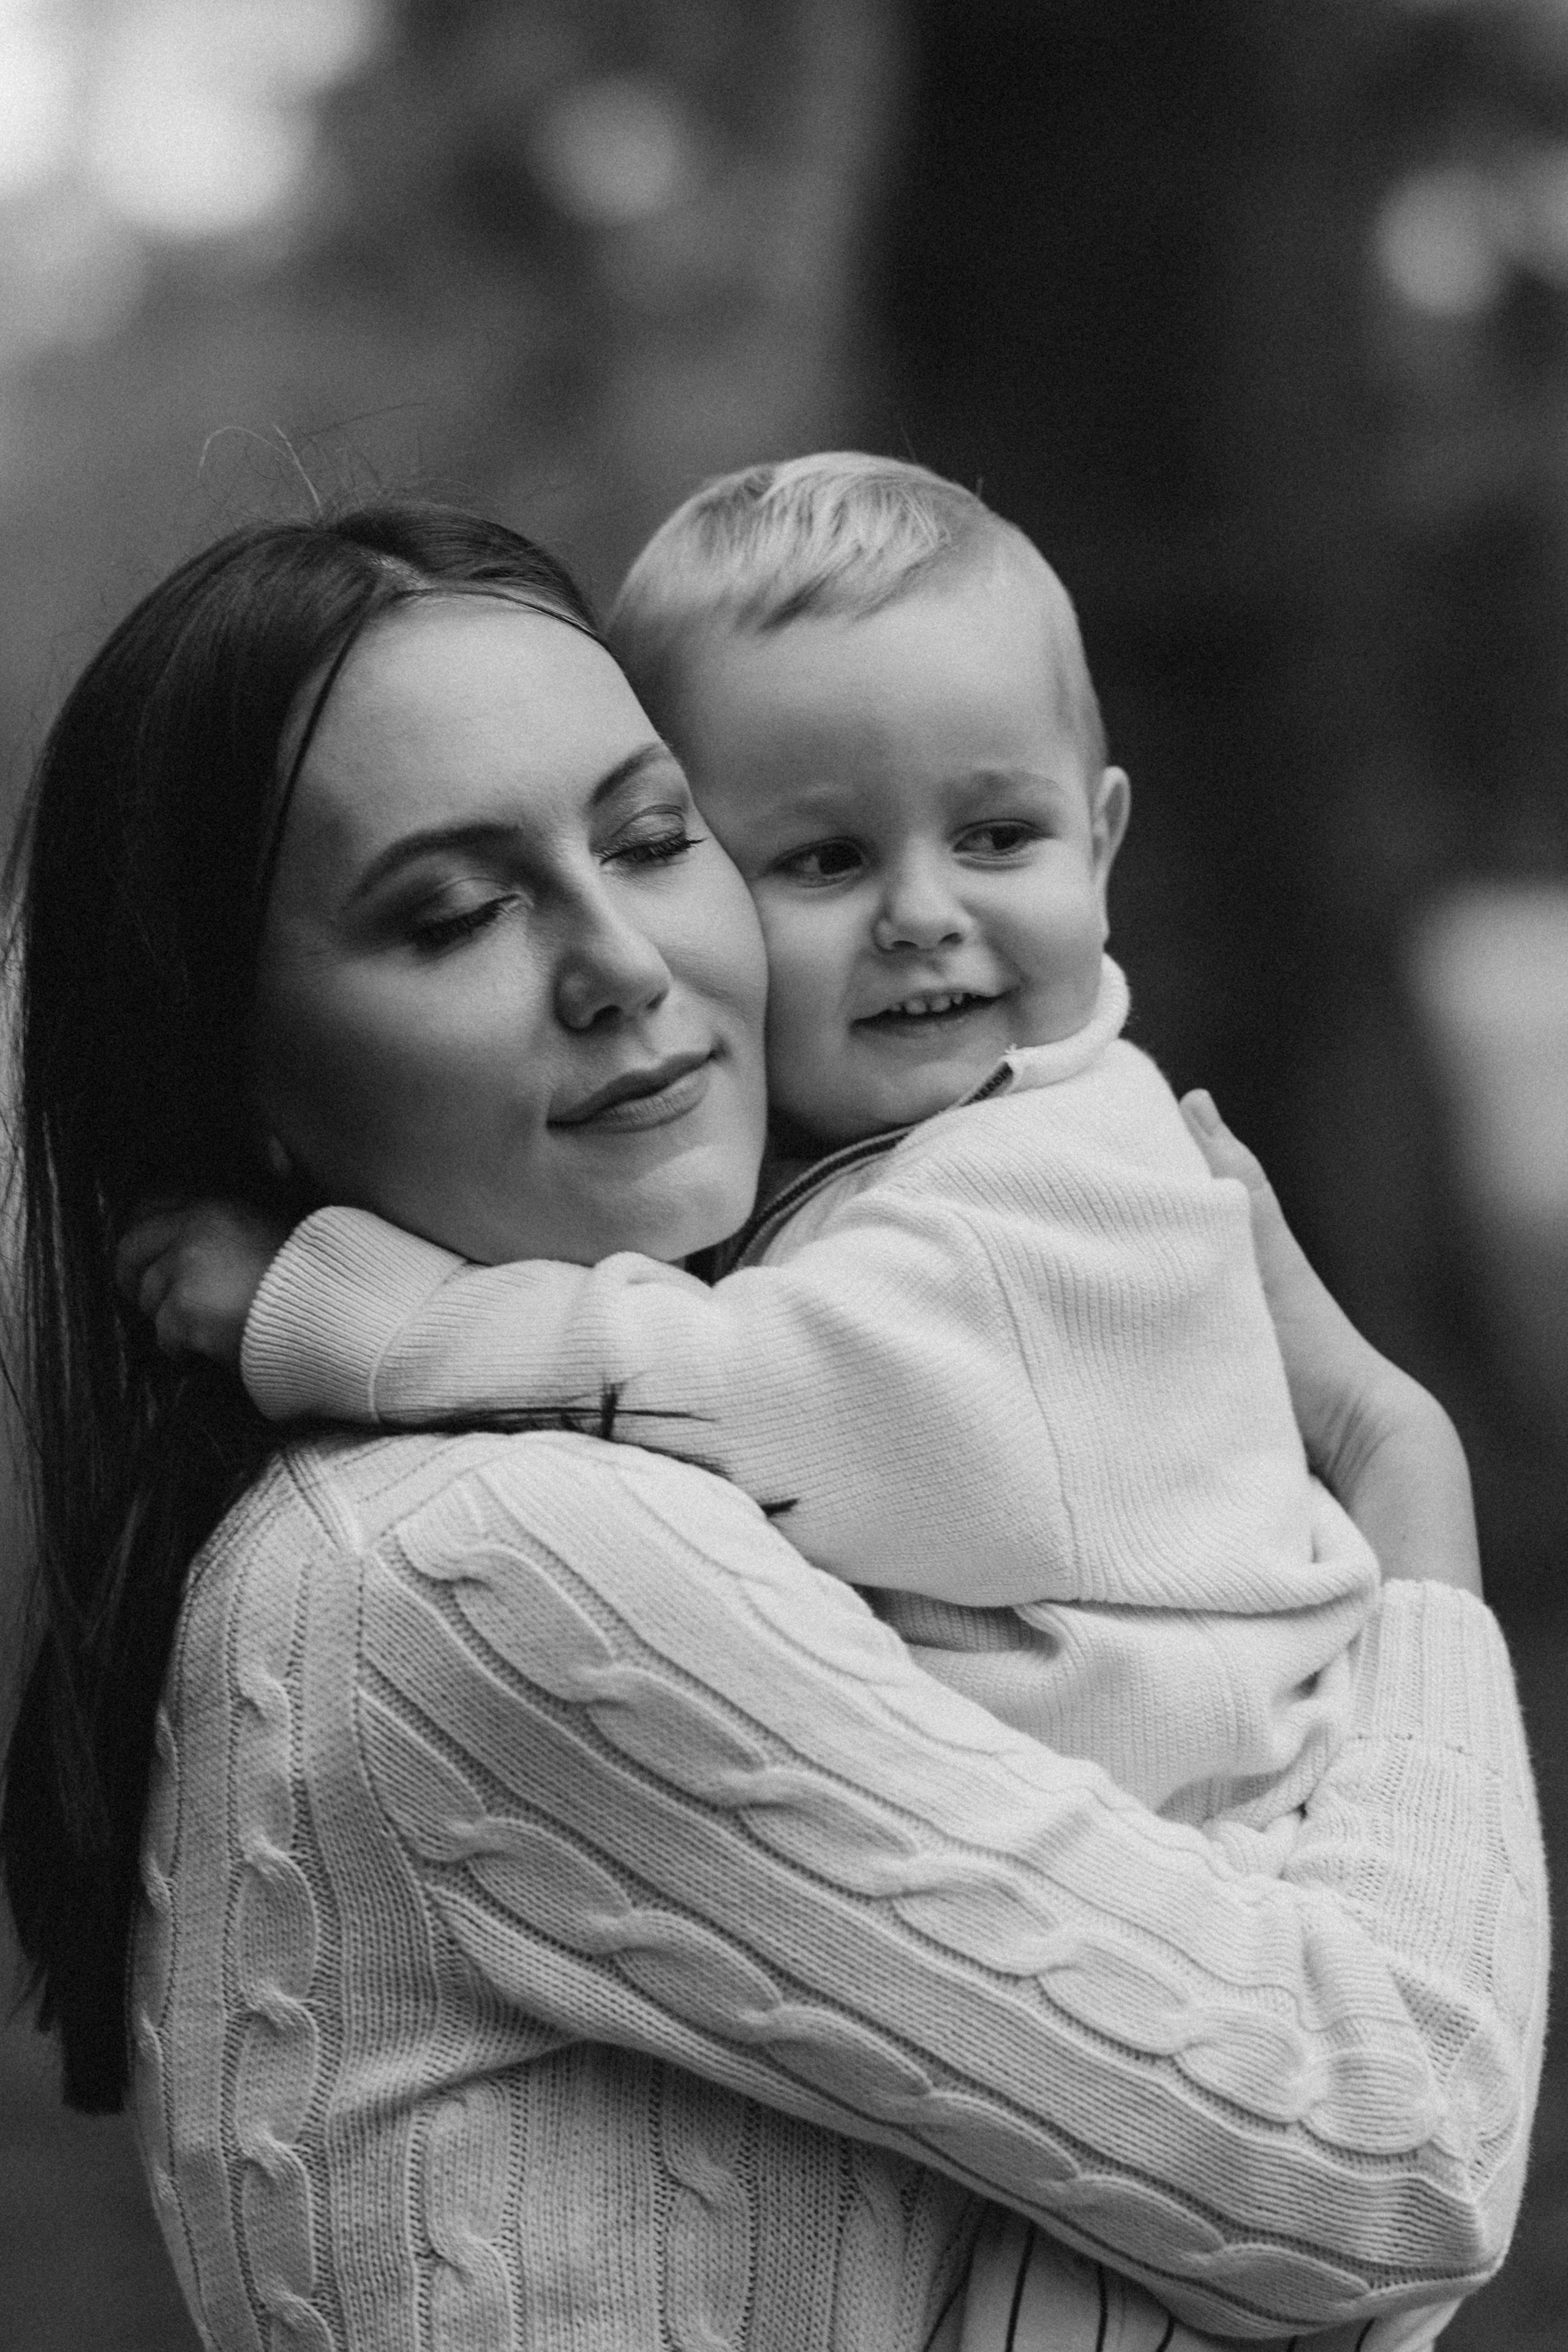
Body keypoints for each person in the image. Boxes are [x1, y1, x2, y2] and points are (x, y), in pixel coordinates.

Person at [1, 505, 1547, 2352]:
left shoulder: (469, 1498)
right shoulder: (485, 1567)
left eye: (654, 842)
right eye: (452, 912)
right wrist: (1404, 1485)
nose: (619, 962)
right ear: (236, 1075)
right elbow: (1390, 2166)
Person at [155, 456, 1418, 1863]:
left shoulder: (1057, 1189)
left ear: (1102, 843)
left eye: (998, 836)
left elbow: (728, 1390)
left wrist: (336, 1307)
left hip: (1223, 1853)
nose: (922, 914)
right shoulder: (901, 1164)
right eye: (823, 861)